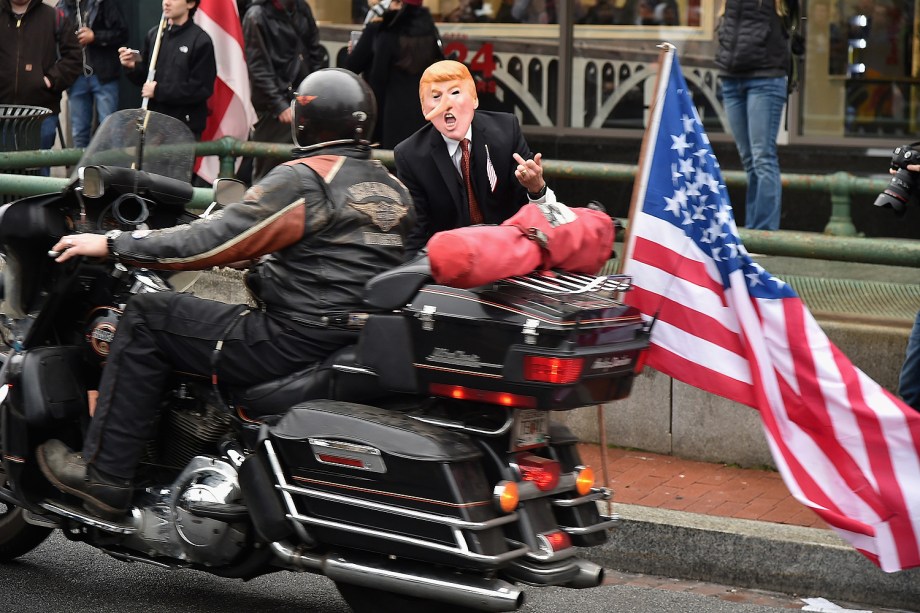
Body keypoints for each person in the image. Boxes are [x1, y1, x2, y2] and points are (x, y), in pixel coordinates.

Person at [36, 68, 416, 520]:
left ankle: (106, 476)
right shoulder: (393, 187)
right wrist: (259, 260)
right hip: (352, 337)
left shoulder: (304, 177)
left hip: (291, 336)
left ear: (306, 120)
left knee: (146, 315)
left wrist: (115, 243)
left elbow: (212, 237)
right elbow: (341, 259)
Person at [394, 59, 555, 259]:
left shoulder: (506, 131)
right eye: (436, 97)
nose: (447, 104)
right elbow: (416, 233)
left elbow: (538, 219)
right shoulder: (410, 156)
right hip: (452, 266)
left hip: (508, 257)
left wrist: (536, 189)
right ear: (425, 110)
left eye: (455, 93)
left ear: (474, 99)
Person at [715, 0, 791, 231]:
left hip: (765, 78)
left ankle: (765, 232)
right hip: (731, 77)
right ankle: (754, 230)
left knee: (762, 157)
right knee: (750, 160)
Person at [242, 0, 324, 181]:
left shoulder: (301, 8)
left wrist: (317, 90)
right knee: (270, 173)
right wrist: (279, 105)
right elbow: (258, 67)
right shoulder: (256, 14)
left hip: (305, 99)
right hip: (274, 108)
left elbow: (315, 52)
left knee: (305, 170)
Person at [345, 0, 442, 149]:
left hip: (388, 120)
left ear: (398, 4)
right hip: (425, 117)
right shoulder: (430, 31)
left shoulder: (381, 29)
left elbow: (353, 69)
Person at [0, 0, 81, 173]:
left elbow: (74, 57)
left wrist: (50, 79)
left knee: (37, 175)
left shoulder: (54, 17)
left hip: (41, 115)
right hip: (1, 114)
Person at [117, 0, 216, 140]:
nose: (166, 2)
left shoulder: (201, 40)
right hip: (154, 124)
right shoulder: (154, 35)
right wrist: (131, 67)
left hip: (184, 128)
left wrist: (158, 91)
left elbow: (201, 89)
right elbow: (144, 78)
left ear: (190, 3)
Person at [57, 0, 129, 148]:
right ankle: (82, 170)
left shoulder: (104, 3)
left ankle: (112, 170)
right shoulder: (62, 6)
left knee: (110, 129)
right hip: (76, 75)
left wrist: (95, 36)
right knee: (79, 132)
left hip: (104, 74)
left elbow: (122, 33)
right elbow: (56, 42)